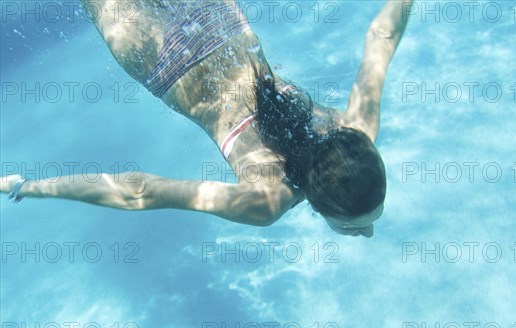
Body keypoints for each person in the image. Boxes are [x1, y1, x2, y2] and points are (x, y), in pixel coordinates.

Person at [1, 0, 413, 238]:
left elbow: (381, 38)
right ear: (322, 206)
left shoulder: (356, 131)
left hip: (217, 16)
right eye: (356, 226)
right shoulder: (265, 201)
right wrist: (27, 187)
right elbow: (142, 191)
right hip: (162, 61)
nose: (369, 234)